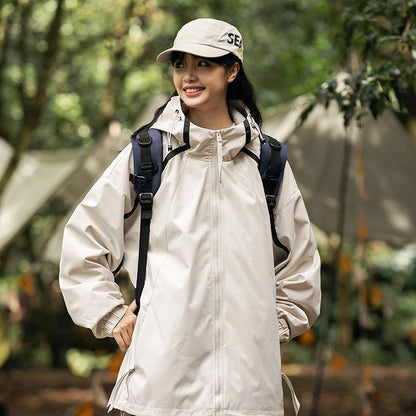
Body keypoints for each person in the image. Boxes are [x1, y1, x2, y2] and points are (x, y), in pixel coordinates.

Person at [59, 18, 321, 416]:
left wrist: (272, 327)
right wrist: (110, 314)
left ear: (232, 70)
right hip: (161, 391)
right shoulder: (146, 154)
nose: (189, 76)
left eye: (204, 64)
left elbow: (301, 263)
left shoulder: (267, 162)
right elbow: (84, 241)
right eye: (180, 64)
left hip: (249, 394)